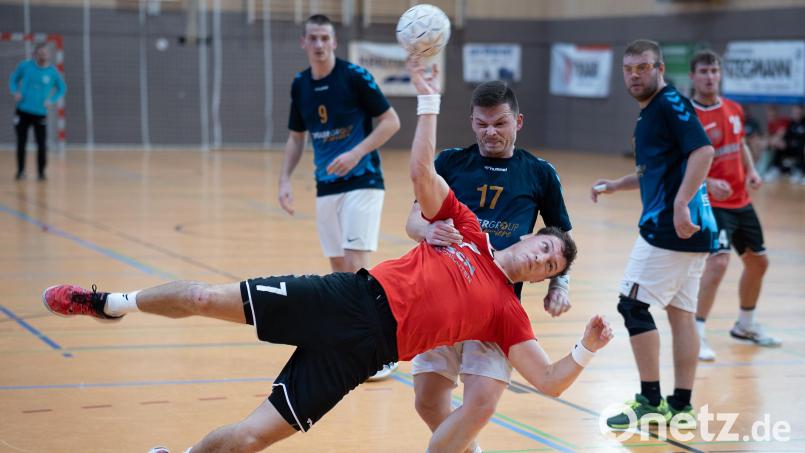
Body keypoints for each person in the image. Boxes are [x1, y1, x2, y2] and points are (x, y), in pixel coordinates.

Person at [41, 55, 614, 453]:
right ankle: (108, 301)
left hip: (365, 352)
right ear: (527, 234)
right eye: (543, 246)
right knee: (203, 296)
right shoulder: (465, 231)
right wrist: (429, 98)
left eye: (550, 264)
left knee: (250, 438)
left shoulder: (504, 313)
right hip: (347, 297)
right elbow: (419, 173)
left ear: (543, 278)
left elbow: (549, 380)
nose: (541, 258)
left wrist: (586, 350)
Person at [405, 80, 573, 453]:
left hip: (494, 305)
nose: (490, 132)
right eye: (481, 124)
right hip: (442, 297)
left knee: (480, 403)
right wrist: (428, 229)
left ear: (519, 122)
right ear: (471, 122)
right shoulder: (450, 162)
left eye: (499, 123)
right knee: (427, 401)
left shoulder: (539, 172)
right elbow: (412, 220)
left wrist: (559, 286)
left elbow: (561, 238)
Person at [591, 39, 717, 430]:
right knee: (682, 315)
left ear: (660, 68)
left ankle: (649, 400)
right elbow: (655, 172)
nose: (635, 75)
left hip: (671, 228)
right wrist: (617, 185)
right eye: (629, 69)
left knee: (633, 305)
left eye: (643, 67)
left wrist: (681, 204)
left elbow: (703, 152)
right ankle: (680, 405)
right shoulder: (650, 114)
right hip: (691, 232)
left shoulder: (669, 104)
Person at [278, 14, 400, 380]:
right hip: (326, 188)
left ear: (334, 42)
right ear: (304, 42)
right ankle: (353, 343)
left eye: (325, 38)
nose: (319, 44)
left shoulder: (353, 76)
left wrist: (357, 152)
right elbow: (297, 138)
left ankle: (383, 348)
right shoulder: (300, 84)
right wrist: (284, 179)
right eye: (312, 38)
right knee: (338, 271)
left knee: (357, 265)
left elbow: (391, 121)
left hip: (363, 182)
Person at [688, 50, 781, 362]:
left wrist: (751, 170)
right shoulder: (687, 116)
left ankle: (745, 325)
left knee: (759, 263)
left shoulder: (734, 109)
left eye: (714, 71)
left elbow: (740, 144)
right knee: (719, 262)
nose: (710, 76)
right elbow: (680, 162)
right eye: (704, 71)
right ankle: (696, 331)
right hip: (710, 202)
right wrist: (707, 182)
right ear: (693, 77)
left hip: (741, 200)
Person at [8, 42, 66, 181]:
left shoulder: (52, 72)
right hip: (23, 111)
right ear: (35, 54)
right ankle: (21, 171)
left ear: (49, 55)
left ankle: (41, 173)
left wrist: (51, 100)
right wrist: (14, 91)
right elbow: (13, 79)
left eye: (45, 53)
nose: (42, 56)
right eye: (40, 53)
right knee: (21, 142)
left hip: (40, 113)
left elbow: (62, 89)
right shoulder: (25, 66)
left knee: (41, 144)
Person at [782, 105, 805, 184]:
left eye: (798, 112)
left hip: (802, 148)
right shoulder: (791, 123)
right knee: (779, 144)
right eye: (795, 113)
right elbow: (786, 137)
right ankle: (776, 168)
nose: (796, 114)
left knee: (801, 148)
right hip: (792, 147)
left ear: (802, 112)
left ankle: (802, 172)